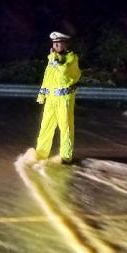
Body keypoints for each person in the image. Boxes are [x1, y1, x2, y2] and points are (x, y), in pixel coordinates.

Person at [31, 31, 81, 164]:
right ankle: (41, 155)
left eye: (59, 43)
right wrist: (42, 95)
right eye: (54, 43)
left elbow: (64, 74)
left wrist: (55, 59)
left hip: (64, 101)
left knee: (66, 128)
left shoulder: (72, 59)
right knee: (45, 127)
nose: (56, 45)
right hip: (51, 100)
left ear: (65, 44)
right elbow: (47, 78)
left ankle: (66, 157)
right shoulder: (52, 59)